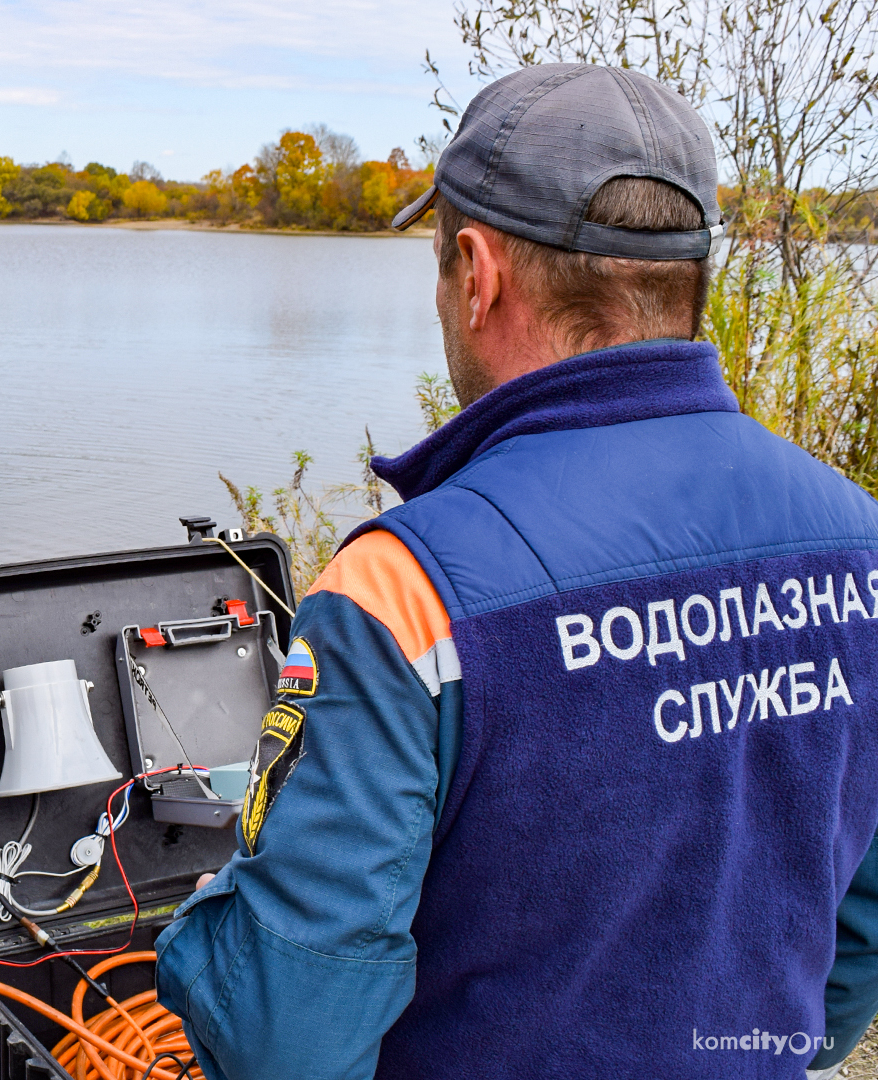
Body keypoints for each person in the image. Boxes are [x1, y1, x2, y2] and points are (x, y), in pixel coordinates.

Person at [154, 63, 878, 1080]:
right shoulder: (859, 537)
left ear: (478, 271)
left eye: (442, 275)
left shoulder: (404, 591)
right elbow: (852, 945)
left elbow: (290, 1039)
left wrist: (204, 934)